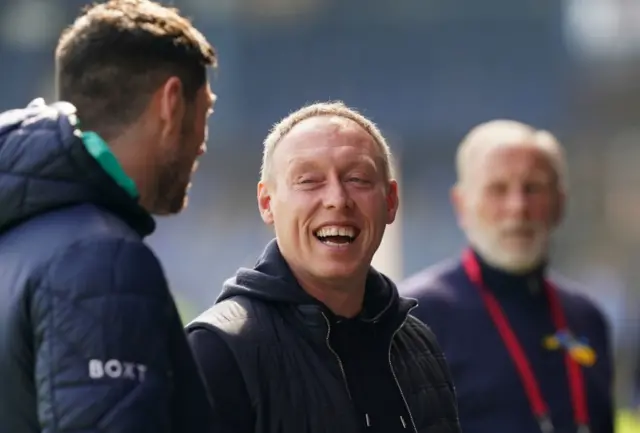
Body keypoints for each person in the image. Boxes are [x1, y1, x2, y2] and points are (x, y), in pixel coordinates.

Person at [0, 1, 218, 432]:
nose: (203, 144)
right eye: (205, 114)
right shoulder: (101, 259)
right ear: (171, 104)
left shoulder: (18, 236)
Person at [186, 101, 461, 433]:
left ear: (390, 202)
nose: (337, 199)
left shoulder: (419, 345)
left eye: (357, 179)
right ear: (266, 203)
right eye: (309, 180)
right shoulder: (219, 349)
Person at [399, 120, 614, 433]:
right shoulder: (415, 318)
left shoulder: (586, 318)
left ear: (560, 202)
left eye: (533, 188)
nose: (518, 208)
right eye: (497, 189)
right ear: (461, 204)